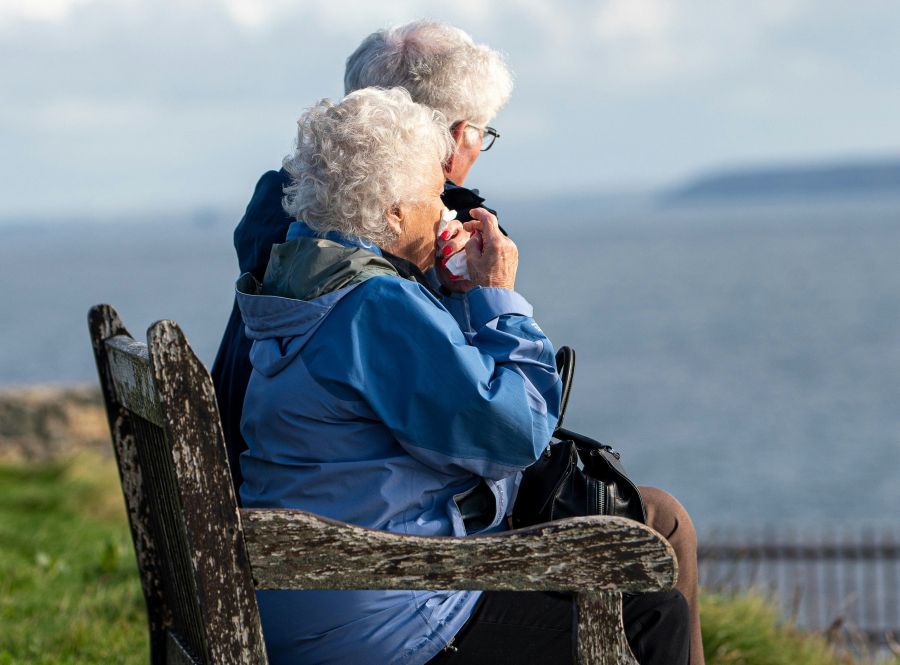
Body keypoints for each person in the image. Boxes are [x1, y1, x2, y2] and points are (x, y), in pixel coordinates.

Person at [213, 20, 705, 663]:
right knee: (648, 600)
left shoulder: (293, 269)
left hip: (303, 569)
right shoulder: (373, 302)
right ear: (393, 208)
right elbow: (510, 437)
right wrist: (493, 295)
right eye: (429, 195)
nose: (444, 201)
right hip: (380, 602)